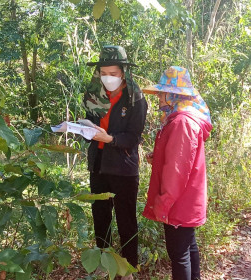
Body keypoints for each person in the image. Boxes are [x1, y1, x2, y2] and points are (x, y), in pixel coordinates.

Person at [142, 66, 213, 280]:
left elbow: (177, 171)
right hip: (186, 198)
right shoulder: (181, 119)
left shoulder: (182, 122)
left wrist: (164, 202)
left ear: (174, 95)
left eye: (163, 93)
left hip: (179, 201)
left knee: (179, 254)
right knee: (188, 247)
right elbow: (180, 158)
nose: (160, 98)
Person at [83, 45, 148, 279]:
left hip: (123, 167)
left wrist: (110, 139)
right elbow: (90, 123)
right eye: (103, 73)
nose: (107, 78)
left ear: (123, 73)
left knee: (126, 218)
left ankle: (129, 267)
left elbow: (134, 136)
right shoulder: (93, 94)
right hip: (98, 164)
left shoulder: (135, 97)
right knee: (101, 216)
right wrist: (82, 129)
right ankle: (103, 263)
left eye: (113, 73)